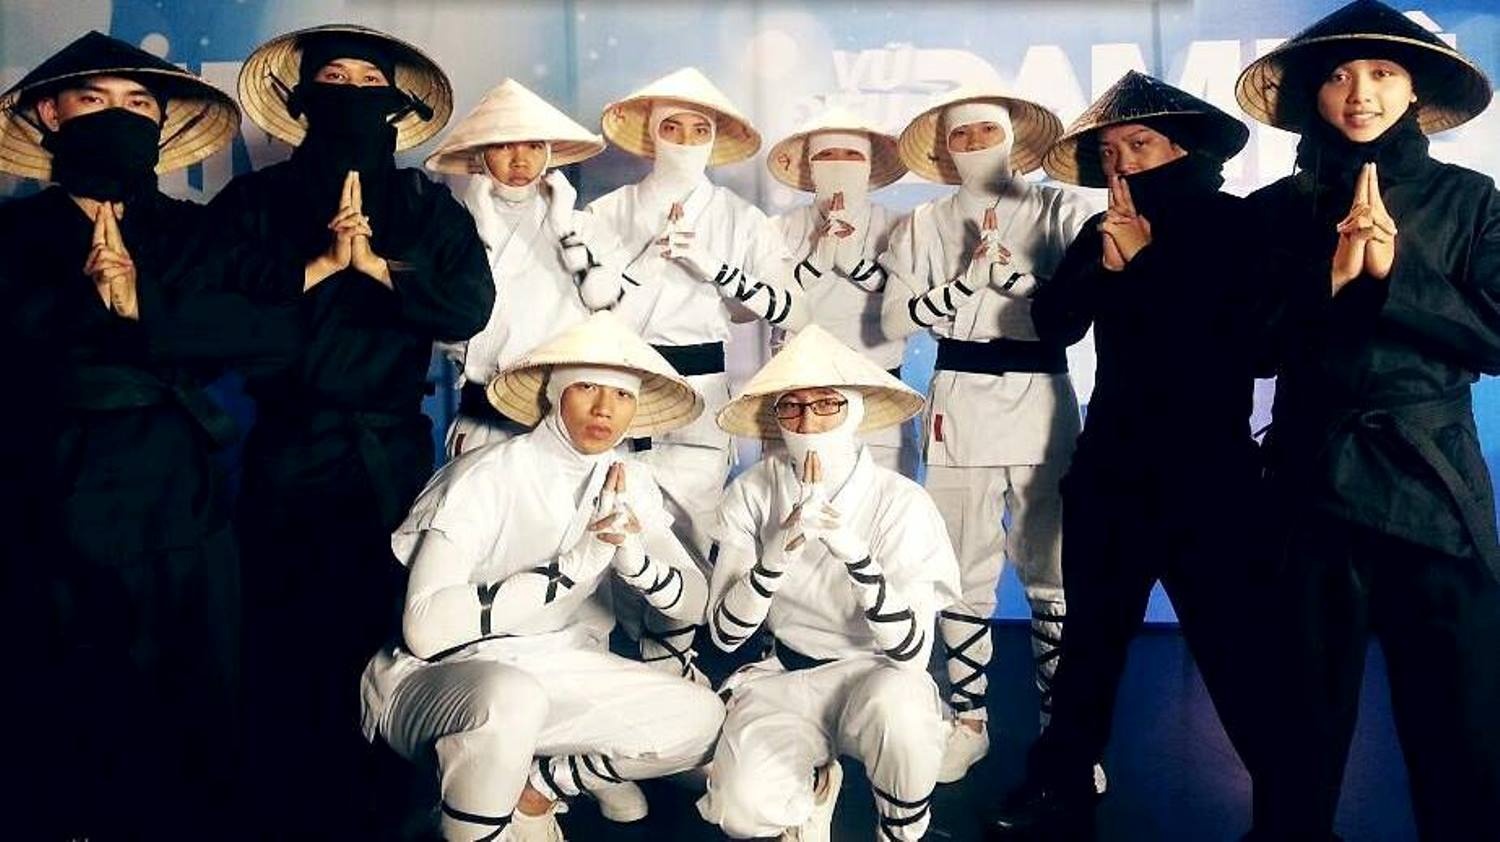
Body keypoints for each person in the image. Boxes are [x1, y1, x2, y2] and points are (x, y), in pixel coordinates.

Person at [0, 31, 284, 838]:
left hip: (182, 495)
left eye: (137, 103)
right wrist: (81, 306)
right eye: (93, 100)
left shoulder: (197, 232)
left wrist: (138, 308)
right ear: (50, 114)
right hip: (50, 493)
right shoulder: (12, 236)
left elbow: (270, 332)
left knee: (195, 699)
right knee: (66, 700)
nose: (118, 115)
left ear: (161, 123)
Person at [212, 24, 492, 834]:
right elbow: (216, 316)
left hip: (388, 460)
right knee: (282, 635)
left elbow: (468, 306)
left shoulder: (424, 206)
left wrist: (381, 270)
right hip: (286, 452)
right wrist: (313, 270)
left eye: (369, 84)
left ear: (395, 107)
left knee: (386, 637)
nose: (351, 94)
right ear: (303, 100)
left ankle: (382, 812)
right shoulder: (254, 204)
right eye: (333, 79)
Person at [1235, 2, 1499, 838]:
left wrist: (1392, 276)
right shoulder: (1273, 209)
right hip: (1309, 483)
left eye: (1383, 73)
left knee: (1460, 724)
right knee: (1297, 726)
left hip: (1434, 484)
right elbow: (1250, 348)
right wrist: (1332, 280)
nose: (1360, 94)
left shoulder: (1470, 199)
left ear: (1415, 88)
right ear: (1312, 94)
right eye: (1339, 76)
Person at [985, 71, 1269, 838]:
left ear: (1183, 148)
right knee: (1091, 644)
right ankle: (1060, 787)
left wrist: (1143, 267)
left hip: (1209, 476)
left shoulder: (1241, 225)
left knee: (1233, 647)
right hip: (1112, 469)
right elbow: (1054, 324)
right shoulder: (1101, 227)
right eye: (1110, 152)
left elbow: (1251, 346)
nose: (1122, 163)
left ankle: (1288, 810)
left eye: (1138, 145)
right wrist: (1101, 268)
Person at [361, 311, 724, 840]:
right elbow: (425, 629)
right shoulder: (486, 474)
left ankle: (537, 788)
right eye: (587, 387)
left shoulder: (628, 481)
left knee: (702, 718)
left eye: (622, 395)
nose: (605, 408)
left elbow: (694, 603)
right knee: (513, 699)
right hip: (442, 676)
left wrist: (636, 563)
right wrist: (572, 567)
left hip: (557, 667)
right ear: (555, 393)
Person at [879, 86, 1093, 782]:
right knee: (961, 567)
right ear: (944, 149)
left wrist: (1018, 281)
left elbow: (1086, 304)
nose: (974, 144)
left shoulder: (1059, 208)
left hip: (1042, 394)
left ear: (1013, 136)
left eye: (985, 131)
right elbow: (894, 320)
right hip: (959, 397)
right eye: (961, 135)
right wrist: (966, 285)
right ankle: (967, 718)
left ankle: (1064, 735)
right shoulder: (924, 222)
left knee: (1054, 570)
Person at [588, 67, 809, 681]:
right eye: (673, 127)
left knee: (693, 524)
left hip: (701, 388)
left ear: (715, 138)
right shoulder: (607, 211)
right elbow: (585, 305)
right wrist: (646, 261)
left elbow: (791, 308)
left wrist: (713, 266)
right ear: (652, 133)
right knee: (610, 517)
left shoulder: (740, 218)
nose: (685, 139)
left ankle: (671, 668)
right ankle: (628, 666)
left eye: (698, 129)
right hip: (619, 381)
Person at [696, 325, 960, 841]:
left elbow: (911, 655)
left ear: (854, 410)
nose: (808, 422)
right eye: (791, 407)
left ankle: (901, 831)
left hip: (876, 676)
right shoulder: (752, 491)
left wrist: (855, 554)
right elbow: (725, 636)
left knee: (904, 715)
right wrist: (775, 557)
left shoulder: (902, 503)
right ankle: (813, 790)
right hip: (785, 675)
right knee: (739, 810)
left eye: (826, 405)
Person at [425, 77, 627, 457]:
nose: (520, 160)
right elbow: (447, 324)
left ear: (549, 154)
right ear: (480, 154)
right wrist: (481, 228)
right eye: (504, 145)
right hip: (484, 419)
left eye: (534, 146)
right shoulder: (451, 231)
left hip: (565, 420)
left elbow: (608, 305)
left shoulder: (583, 226)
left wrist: (563, 228)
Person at [767, 106, 913, 473]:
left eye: (852, 154)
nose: (839, 163)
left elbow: (910, 305)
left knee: (884, 498)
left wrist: (856, 266)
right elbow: (765, 303)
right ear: (810, 166)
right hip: (797, 396)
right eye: (827, 154)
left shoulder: (900, 226)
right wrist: (817, 262)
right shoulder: (778, 228)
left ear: (869, 165)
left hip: (878, 392)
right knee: (793, 497)